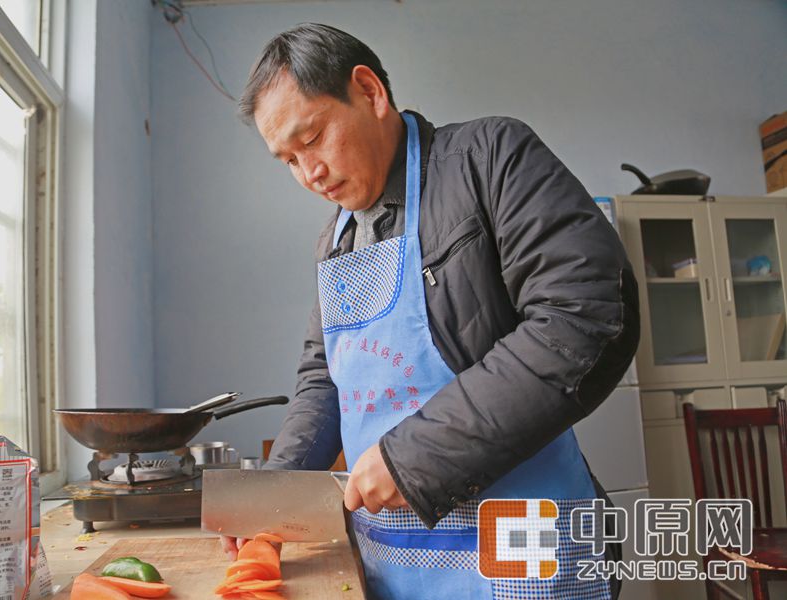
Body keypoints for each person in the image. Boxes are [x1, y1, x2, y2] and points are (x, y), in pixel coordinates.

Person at [221, 23, 638, 600]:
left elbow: (582, 315)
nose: (309, 174)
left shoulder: (489, 159)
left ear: (369, 92)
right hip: (394, 563)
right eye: (289, 160)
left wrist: (413, 457)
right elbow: (325, 378)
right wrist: (273, 494)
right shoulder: (335, 240)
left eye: (312, 138)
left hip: (522, 540)